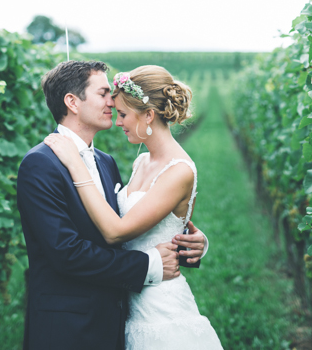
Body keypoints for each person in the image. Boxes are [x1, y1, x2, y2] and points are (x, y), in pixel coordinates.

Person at [17, 61, 207, 350]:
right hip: (67, 329)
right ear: (72, 102)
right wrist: (150, 264)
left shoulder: (106, 162)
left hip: (117, 319)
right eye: (103, 93)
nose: (112, 100)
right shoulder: (40, 163)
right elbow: (66, 253)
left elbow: (130, 225)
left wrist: (190, 241)